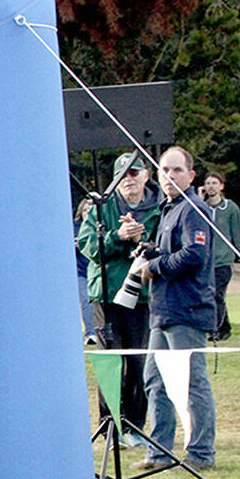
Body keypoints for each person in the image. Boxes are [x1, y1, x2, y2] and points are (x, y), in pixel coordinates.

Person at [131, 146, 217, 472]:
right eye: (165, 170)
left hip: (187, 309)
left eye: (177, 170)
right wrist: (150, 251)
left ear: (191, 176)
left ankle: (201, 454)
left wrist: (154, 266)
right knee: (154, 380)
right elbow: (173, 251)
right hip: (163, 310)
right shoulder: (169, 209)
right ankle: (158, 452)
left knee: (192, 383)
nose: (170, 176)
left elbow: (194, 254)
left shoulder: (193, 209)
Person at [76, 153, 163, 447]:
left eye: (134, 173)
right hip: (107, 295)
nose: (129, 179)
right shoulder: (101, 208)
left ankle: (135, 426)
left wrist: (142, 241)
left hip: (142, 296)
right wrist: (117, 235)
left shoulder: (159, 209)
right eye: (123, 174)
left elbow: (165, 248)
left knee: (138, 362)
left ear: (146, 176)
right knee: (110, 361)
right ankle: (111, 425)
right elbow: (88, 246)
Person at [200, 170, 240, 341]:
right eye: (208, 183)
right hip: (206, 262)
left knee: (217, 295)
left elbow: (238, 234)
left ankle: (217, 330)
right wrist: (199, 200)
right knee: (209, 295)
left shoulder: (230, 208)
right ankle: (223, 327)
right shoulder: (201, 207)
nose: (211, 187)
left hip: (223, 261)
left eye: (214, 183)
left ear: (221, 186)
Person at [72, 198, 97, 346]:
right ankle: (90, 333)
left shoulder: (100, 226)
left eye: (91, 209)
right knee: (87, 302)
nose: (88, 212)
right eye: (85, 209)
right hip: (81, 272)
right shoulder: (74, 227)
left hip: (97, 271)